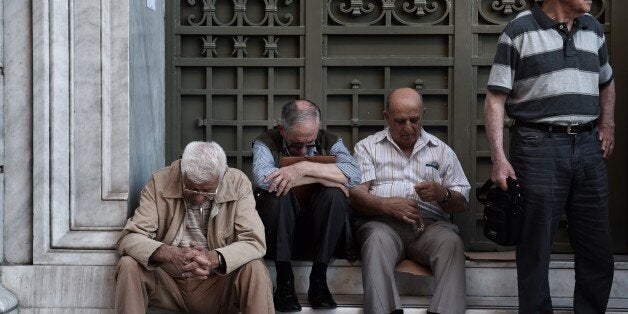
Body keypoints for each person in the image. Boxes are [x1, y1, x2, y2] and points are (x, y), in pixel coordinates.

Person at [484, 0, 616, 312]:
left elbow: (607, 82)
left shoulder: (594, 29)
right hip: (536, 147)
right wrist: (499, 158)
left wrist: (607, 123)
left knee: (596, 246)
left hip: (588, 145)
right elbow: (495, 98)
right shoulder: (519, 30)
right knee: (535, 247)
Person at [350, 87, 470, 314]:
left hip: (429, 228)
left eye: (414, 120)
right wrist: (385, 205)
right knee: (374, 240)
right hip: (383, 225)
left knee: (452, 243)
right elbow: (355, 195)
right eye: (400, 121)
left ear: (423, 114)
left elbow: (463, 202)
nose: (408, 128)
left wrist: (442, 194)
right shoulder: (368, 148)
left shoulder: (441, 151)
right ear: (386, 117)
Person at [115, 141, 274, 314]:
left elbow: (254, 241)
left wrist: (214, 258)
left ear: (221, 178)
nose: (198, 198)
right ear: (183, 174)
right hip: (168, 283)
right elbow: (129, 238)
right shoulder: (159, 181)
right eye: (191, 189)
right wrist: (170, 253)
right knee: (128, 264)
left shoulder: (237, 182)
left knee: (255, 268)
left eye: (207, 191)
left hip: (218, 283)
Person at [251, 99, 361, 311]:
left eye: (309, 145)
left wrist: (303, 169)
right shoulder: (265, 142)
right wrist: (329, 176)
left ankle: (319, 280)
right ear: (282, 129)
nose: (302, 150)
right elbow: (264, 179)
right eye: (296, 145)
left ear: (317, 129)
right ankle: (284, 282)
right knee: (277, 194)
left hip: (321, 231)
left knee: (334, 195)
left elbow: (354, 175)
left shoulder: (329, 140)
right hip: (280, 232)